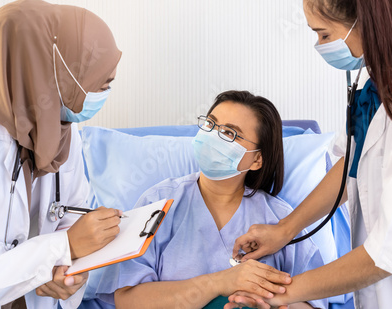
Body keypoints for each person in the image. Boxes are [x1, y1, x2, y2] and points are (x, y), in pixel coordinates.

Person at [227, 0, 392, 308]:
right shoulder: (374, 77)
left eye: (324, 34)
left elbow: (389, 253)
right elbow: (349, 165)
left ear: (366, 20)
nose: (321, 46)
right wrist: (284, 230)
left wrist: (280, 292)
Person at [0, 0, 122, 308]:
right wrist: (59, 249)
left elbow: (72, 219)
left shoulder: (66, 130)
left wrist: (69, 273)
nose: (105, 90)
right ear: (51, 70)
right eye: (100, 80)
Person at [94, 90, 328, 309]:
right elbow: (126, 299)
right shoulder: (158, 203)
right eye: (210, 124)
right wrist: (219, 283)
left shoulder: (281, 221)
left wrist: (269, 302)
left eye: (229, 133)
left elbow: (313, 302)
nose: (214, 136)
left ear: (257, 160)